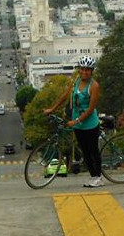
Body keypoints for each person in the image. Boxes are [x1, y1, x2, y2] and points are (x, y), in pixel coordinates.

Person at [44, 55, 103, 187]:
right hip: (78, 124)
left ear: (92, 71)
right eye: (82, 69)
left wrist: (76, 121)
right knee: (84, 151)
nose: (84, 72)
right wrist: (52, 109)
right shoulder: (76, 81)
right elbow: (65, 96)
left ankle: (98, 177)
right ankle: (93, 176)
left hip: (89, 123)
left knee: (93, 150)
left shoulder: (94, 86)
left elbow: (90, 109)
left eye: (88, 69)